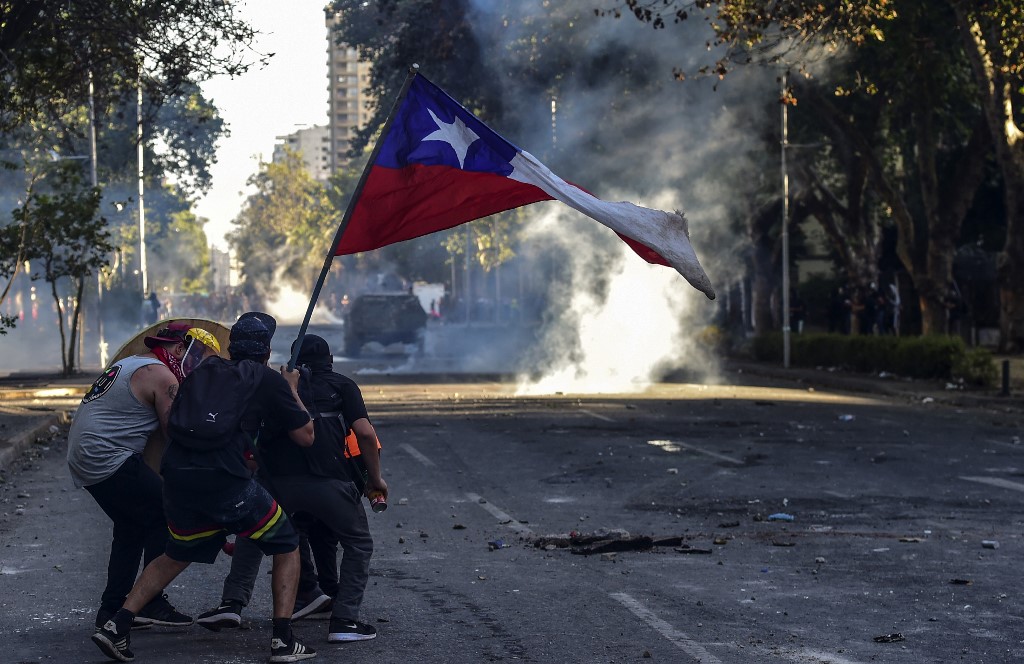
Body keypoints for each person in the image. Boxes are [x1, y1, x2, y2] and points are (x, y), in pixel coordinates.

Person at [91, 315, 317, 663]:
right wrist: (290, 388)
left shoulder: (201, 374)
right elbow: (306, 436)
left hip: (179, 478)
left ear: (230, 347)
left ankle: (115, 626)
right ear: (267, 351)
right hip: (225, 480)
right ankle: (283, 640)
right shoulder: (266, 379)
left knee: (177, 553)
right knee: (287, 542)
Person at [198, 333, 386, 644]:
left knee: (254, 532)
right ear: (331, 361)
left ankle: (232, 603)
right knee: (359, 544)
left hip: (277, 482)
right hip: (329, 482)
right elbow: (365, 434)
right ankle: (344, 620)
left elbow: (249, 435)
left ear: (291, 362)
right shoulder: (343, 385)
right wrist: (374, 480)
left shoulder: (271, 385)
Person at [67, 322, 218, 632]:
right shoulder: (163, 377)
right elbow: (175, 434)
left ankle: (111, 608)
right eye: (196, 358)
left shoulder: (130, 363)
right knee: (168, 513)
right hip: (108, 456)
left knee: (131, 526)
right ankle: (151, 601)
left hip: (85, 457)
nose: (197, 367)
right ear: (180, 350)